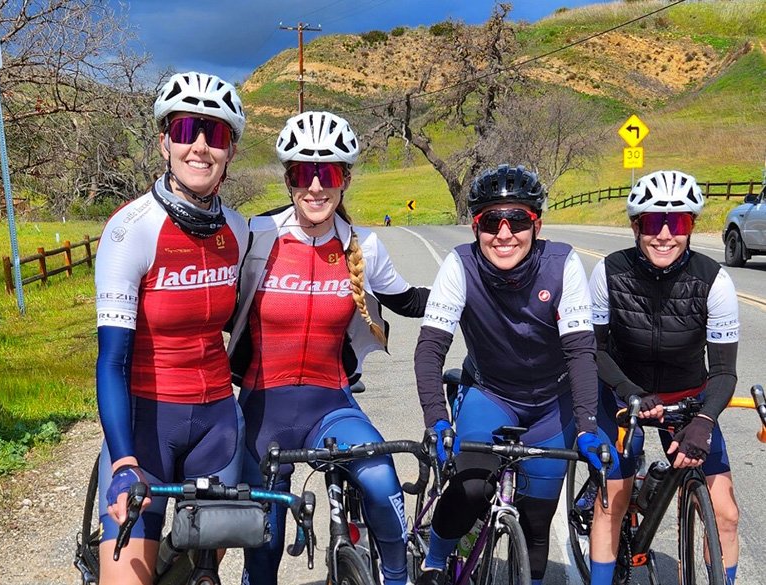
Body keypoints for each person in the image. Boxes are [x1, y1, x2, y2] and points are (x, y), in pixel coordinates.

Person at [226, 110, 430, 585]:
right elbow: (207, 300)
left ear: (346, 180)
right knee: (264, 541)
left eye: (329, 173)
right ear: (288, 179)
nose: (315, 187)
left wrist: (482, 288)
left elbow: (408, 301)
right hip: (262, 411)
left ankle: (397, 578)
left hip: (330, 405)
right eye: (303, 173)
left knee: (381, 483)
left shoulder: (364, 246)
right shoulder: (255, 236)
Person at [413, 164, 606, 585]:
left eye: (517, 219)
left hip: (551, 404)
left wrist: (588, 425)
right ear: (474, 225)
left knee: (538, 522)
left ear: (535, 223)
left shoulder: (562, 264)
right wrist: (436, 421)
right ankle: (433, 560)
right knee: (471, 489)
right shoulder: (459, 265)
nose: (504, 233)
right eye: (490, 221)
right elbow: (430, 348)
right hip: (491, 393)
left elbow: (580, 351)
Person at [94, 71, 249, 585]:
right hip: (144, 423)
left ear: (229, 150)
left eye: (217, 134)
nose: (201, 146)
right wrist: (122, 462)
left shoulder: (239, 230)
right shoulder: (130, 230)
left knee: (198, 572)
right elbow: (111, 360)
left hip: (216, 426)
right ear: (164, 141)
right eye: (186, 130)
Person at [587, 170, 740, 585]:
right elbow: (595, 350)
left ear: (692, 227)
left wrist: (704, 421)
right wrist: (630, 392)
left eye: (681, 223)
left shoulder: (715, 280)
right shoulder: (608, 273)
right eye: (654, 222)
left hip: (689, 399)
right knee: (612, 502)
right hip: (624, 394)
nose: (666, 235)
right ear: (636, 225)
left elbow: (725, 371)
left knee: (725, 512)